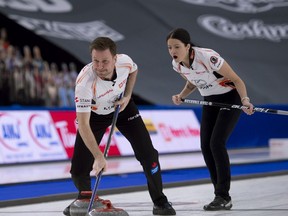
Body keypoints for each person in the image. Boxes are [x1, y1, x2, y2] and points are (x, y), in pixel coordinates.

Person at [63, 37, 176, 215]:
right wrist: (99, 157)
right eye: (95, 61)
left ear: (115, 59)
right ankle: (84, 201)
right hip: (95, 117)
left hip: (122, 108)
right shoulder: (84, 83)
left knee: (148, 155)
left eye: (105, 61)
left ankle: (160, 201)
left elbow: (134, 70)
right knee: (78, 170)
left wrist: (128, 96)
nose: (100, 66)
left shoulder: (125, 62)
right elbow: (83, 125)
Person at [166, 28, 254, 211]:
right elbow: (193, 82)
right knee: (205, 145)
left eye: (176, 47)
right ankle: (219, 195)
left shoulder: (207, 57)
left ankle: (223, 195)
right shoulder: (177, 65)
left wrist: (245, 100)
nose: (173, 51)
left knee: (216, 143)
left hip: (231, 97)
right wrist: (181, 95)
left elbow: (237, 80)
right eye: (169, 48)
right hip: (210, 100)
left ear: (187, 46)